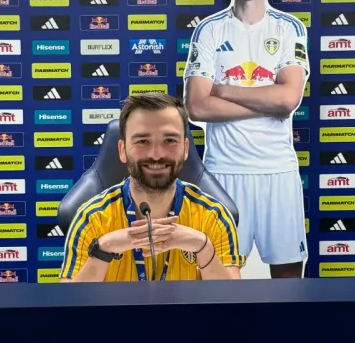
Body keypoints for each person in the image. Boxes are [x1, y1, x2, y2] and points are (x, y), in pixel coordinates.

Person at [184, 0, 310, 279]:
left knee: (287, 281)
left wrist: (222, 90)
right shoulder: (209, 31)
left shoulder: (289, 28)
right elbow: (197, 107)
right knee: (216, 277)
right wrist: (268, 103)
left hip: (277, 171)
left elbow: (287, 99)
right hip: (223, 172)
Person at [60, 93, 243, 282]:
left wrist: (203, 247)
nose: (156, 155)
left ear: (186, 149)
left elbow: (233, 306)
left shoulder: (214, 216)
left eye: (170, 140)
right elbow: (69, 305)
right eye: (142, 141)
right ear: (122, 151)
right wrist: (103, 249)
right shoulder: (92, 217)